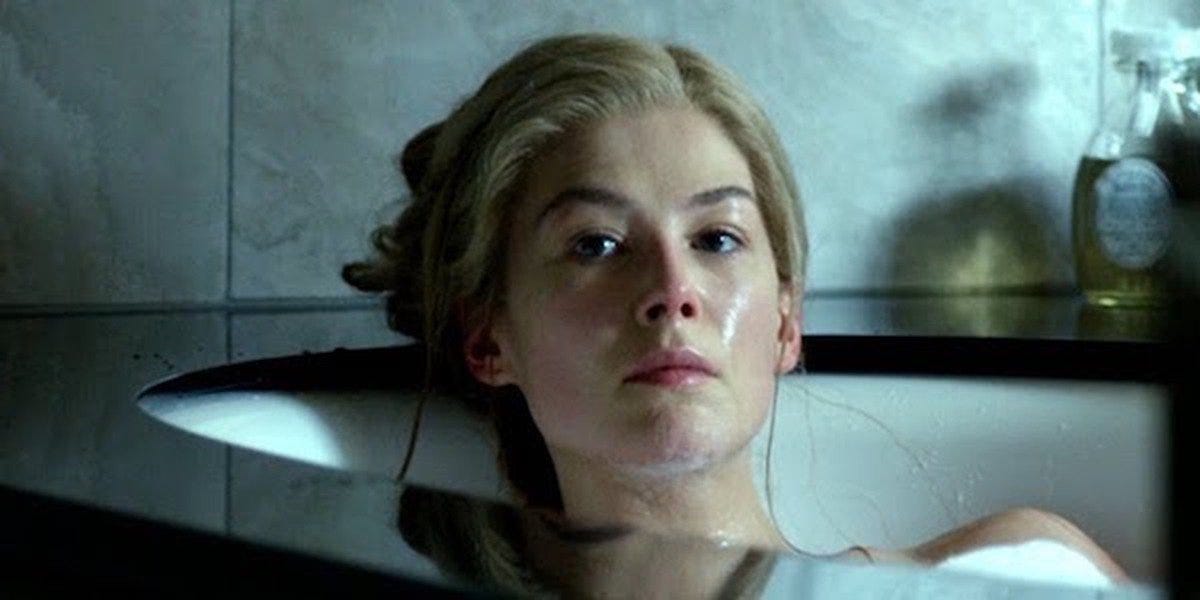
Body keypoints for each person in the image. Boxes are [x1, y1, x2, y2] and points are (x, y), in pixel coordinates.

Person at [343, 32, 1129, 597]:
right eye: (597, 244)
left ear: (786, 322)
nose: (672, 289)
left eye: (717, 238)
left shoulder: (1022, 569)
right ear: (487, 338)